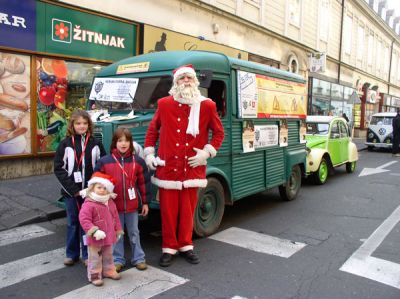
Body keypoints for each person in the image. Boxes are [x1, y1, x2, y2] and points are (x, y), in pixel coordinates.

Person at [144, 64, 225, 267]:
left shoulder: (207, 105)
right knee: (168, 211)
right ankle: (169, 247)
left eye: (189, 77)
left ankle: (186, 245)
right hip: (168, 168)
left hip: (192, 168)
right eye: (182, 78)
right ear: (176, 82)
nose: (186, 81)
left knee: (188, 210)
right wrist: (150, 154)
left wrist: (206, 152)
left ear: (195, 81)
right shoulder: (164, 104)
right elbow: (153, 131)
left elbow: (219, 133)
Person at [54, 109, 106, 266]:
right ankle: (72, 253)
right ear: (72, 125)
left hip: (90, 193)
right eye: (78, 123)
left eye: (84, 123)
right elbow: (59, 168)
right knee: (73, 222)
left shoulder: (95, 143)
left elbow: (102, 167)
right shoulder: (65, 144)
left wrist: (93, 188)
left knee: (88, 223)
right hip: (72, 193)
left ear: (89, 125)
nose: (81, 126)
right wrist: (74, 190)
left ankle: (87, 253)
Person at [95, 128, 151, 272]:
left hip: (132, 206)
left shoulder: (138, 162)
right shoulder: (104, 162)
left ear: (131, 143)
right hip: (113, 207)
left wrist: (145, 202)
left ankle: (138, 258)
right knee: (116, 234)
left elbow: (144, 183)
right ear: (115, 142)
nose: (123, 143)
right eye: (120, 140)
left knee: (134, 232)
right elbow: (97, 184)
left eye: (126, 140)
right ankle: (118, 259)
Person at [78, 172, 123, 286]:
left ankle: (109, 271)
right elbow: (84, 219)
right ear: (92, 188)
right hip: (95, 238)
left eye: (104, 188)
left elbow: (115, 216)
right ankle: (95, 276)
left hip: (108, 235)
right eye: (99, 187)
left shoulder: (110, 201)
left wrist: (118, 229)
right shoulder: (89, 203)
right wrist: (94, 231)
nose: (102, 190)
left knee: (109, 255)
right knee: (95, 258)